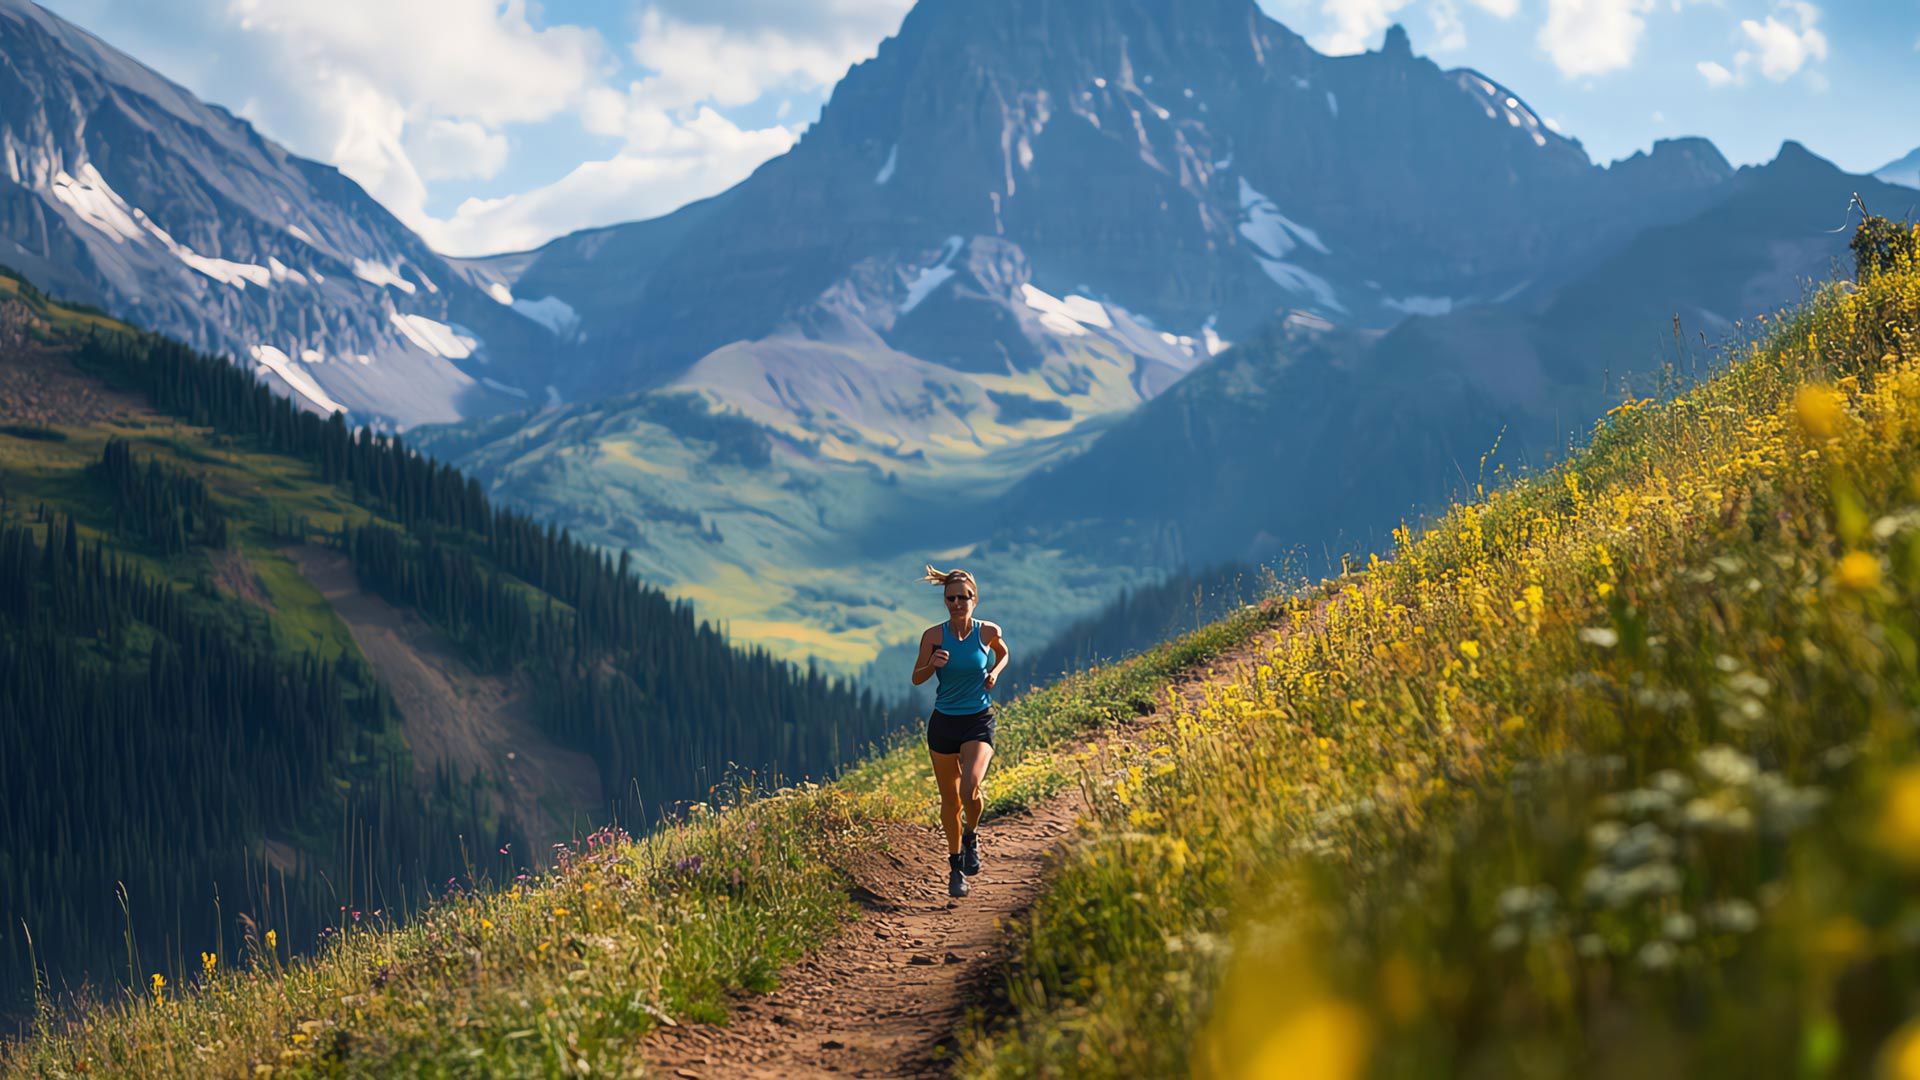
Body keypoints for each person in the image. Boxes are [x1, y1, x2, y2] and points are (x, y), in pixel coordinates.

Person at [910, 566, 1009, 898]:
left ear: (974, 599)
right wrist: (932, 664)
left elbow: (1004, 652)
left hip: (978, 720)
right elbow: (917, 678)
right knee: (950, 801)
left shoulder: (987, 631)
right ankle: (955, 867)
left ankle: (971, 835)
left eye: (962, 597)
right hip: (943, 723)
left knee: (970, 787)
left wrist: (994, 672)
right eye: (950, 598)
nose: (956, 603)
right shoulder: (933, 637)